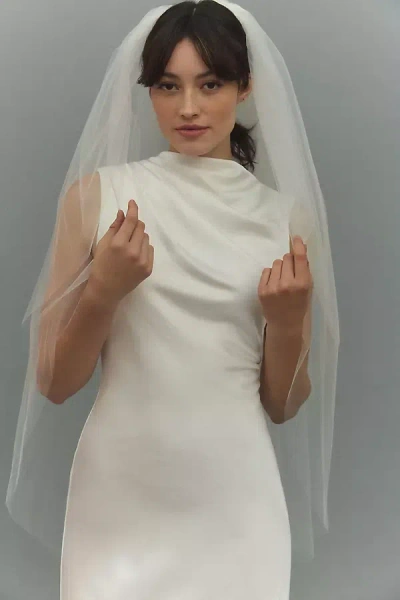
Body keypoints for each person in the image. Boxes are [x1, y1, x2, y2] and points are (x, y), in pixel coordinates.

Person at [6, 1, 340, 598]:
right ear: (148, 90)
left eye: (210, 84)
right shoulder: (96, 198)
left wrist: (289, 324)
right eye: (167, 85)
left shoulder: (285, 220)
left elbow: (282, 405)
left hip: (236, 500)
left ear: (244, 87)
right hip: (119, 496)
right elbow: (54, 383)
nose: (187, 107)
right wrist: (103, 291)